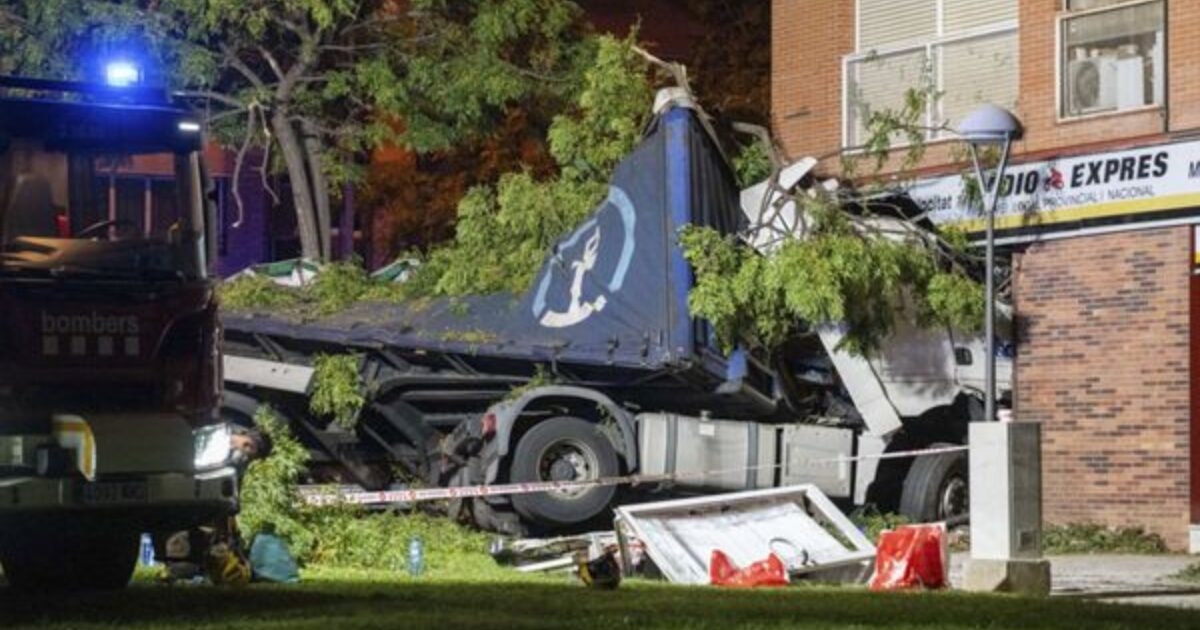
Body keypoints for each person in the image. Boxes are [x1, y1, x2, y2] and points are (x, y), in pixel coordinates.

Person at [161, 425, 272, 585]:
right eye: (246, 446)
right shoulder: (214, 438)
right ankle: (179, 567)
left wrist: (232, 508)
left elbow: (234, 488)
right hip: (186, 493)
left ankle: (195, 566)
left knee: (207, 535)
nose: (244, 453)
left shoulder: (240, 462)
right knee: (183, 535)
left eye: (250, 455)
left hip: (209, 505)